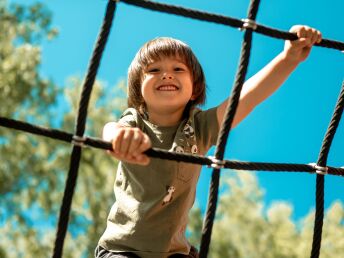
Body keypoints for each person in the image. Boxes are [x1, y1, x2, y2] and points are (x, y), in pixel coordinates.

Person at [95, 25, 322, 258]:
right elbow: (112, 128)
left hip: (175, 252)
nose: (167, 74)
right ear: (139, 90)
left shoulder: (200, 128)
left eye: (178, 68)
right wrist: (118, 138)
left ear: (195, 89)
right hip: (123, 249)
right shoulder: (136, 121)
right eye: (154, 69)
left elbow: (246, 98)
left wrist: (288, 58)